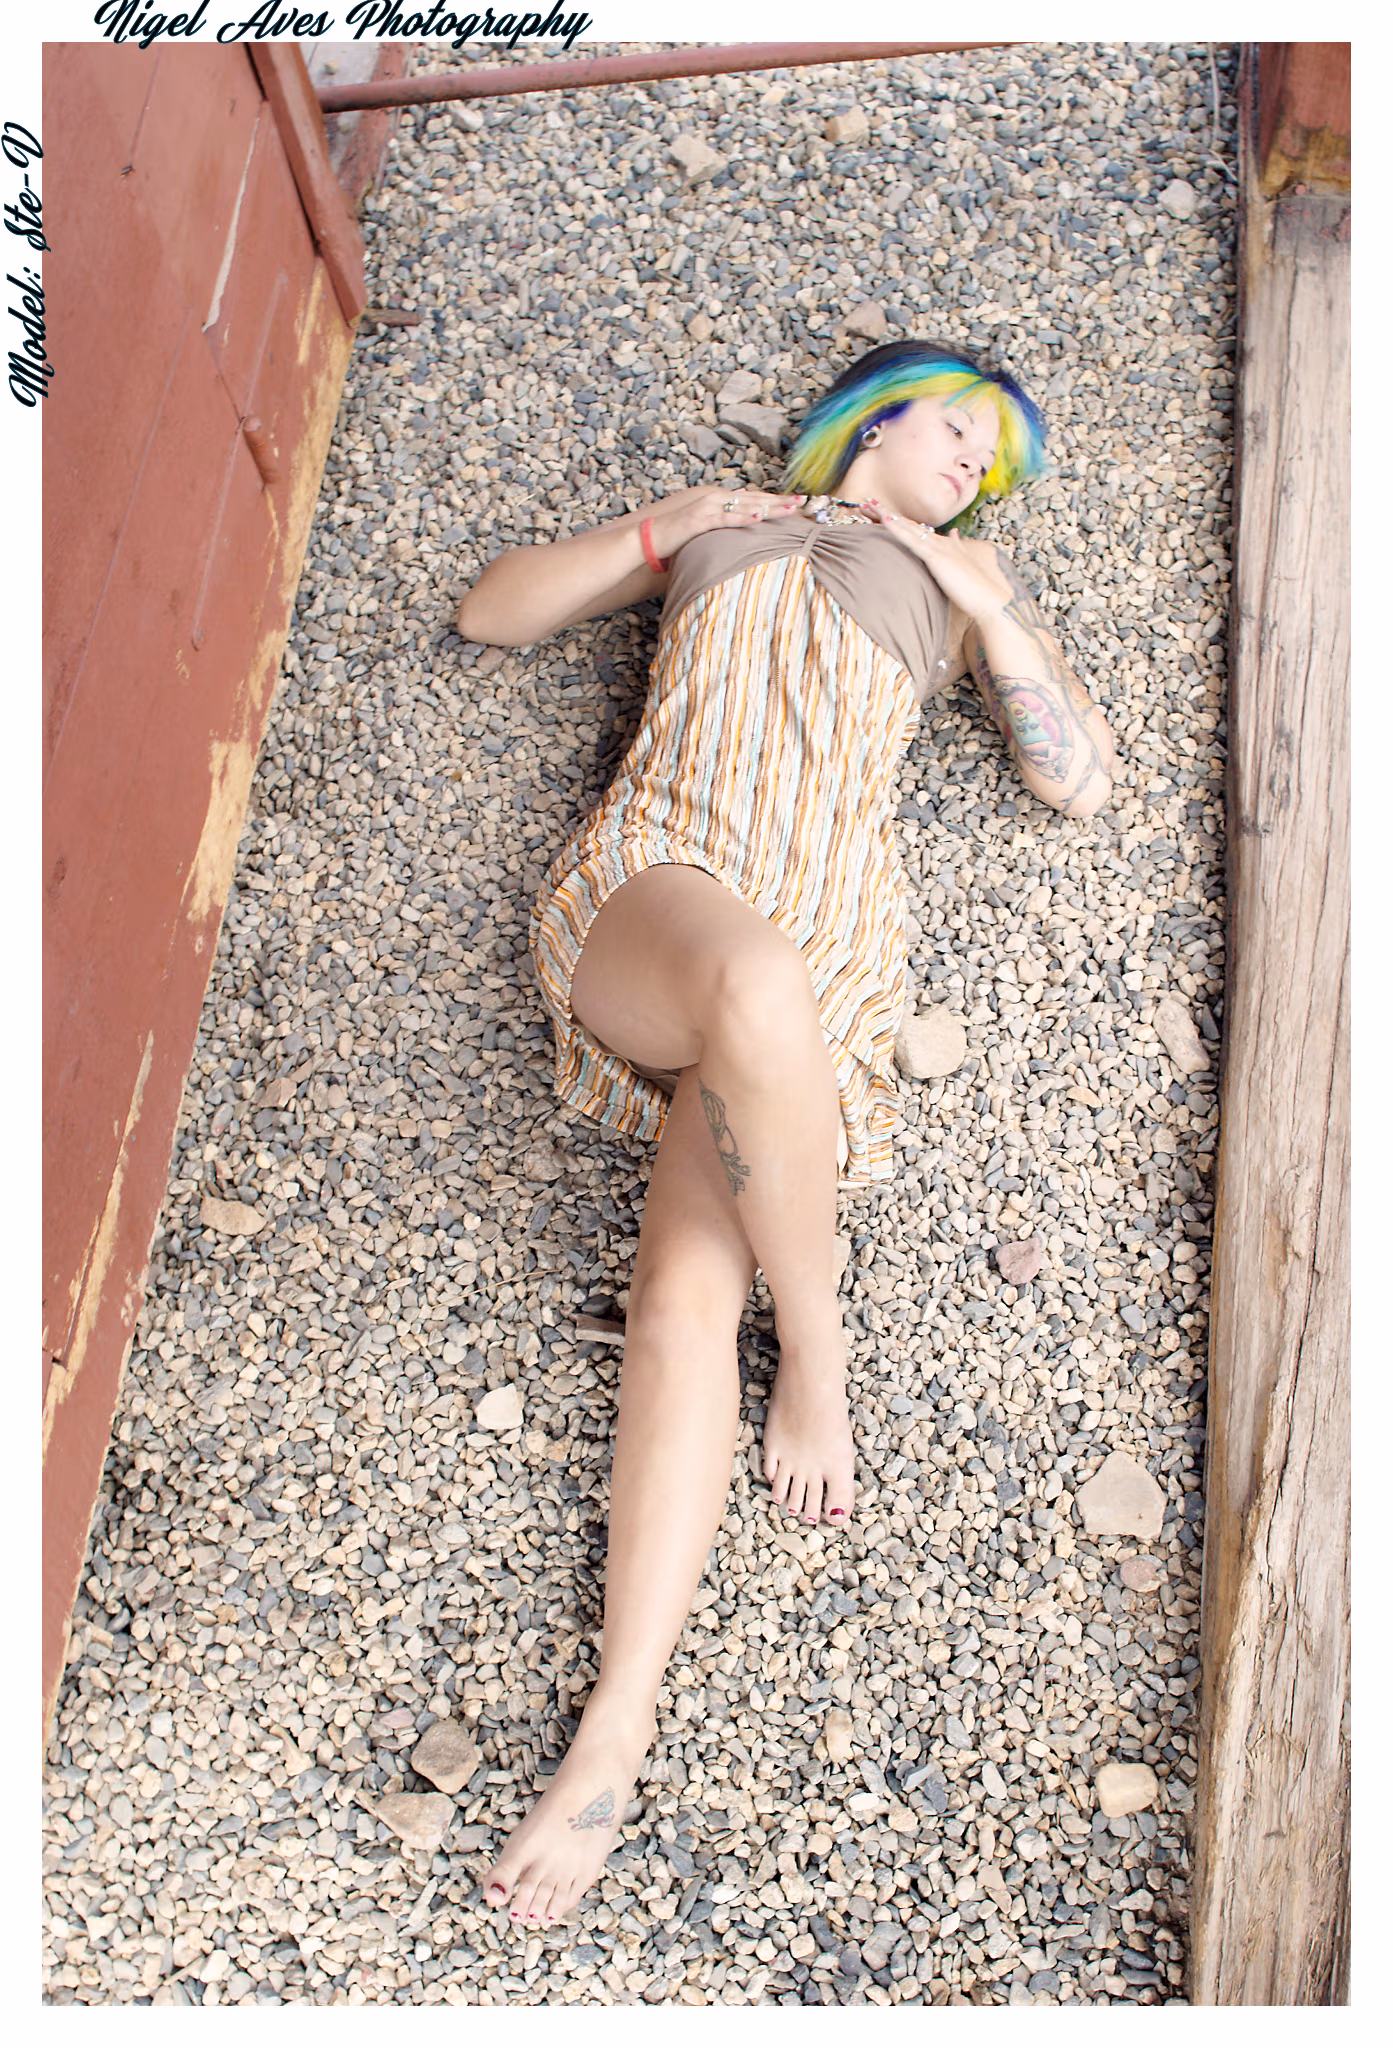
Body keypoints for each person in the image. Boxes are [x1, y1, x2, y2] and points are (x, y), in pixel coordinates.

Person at [452, 340, 1116, 1931]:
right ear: (872, 417)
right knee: (749, 983)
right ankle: (820, 1353)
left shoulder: (955, 585)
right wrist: (659, 529)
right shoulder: (734, 525)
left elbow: (1078, 780)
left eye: (992, 464)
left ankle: (613, 1735)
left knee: (684, 1306)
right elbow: (491, 613)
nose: (973, 466)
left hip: (831, 951)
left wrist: (994, 608)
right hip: (664, 893)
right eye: (957, 428)